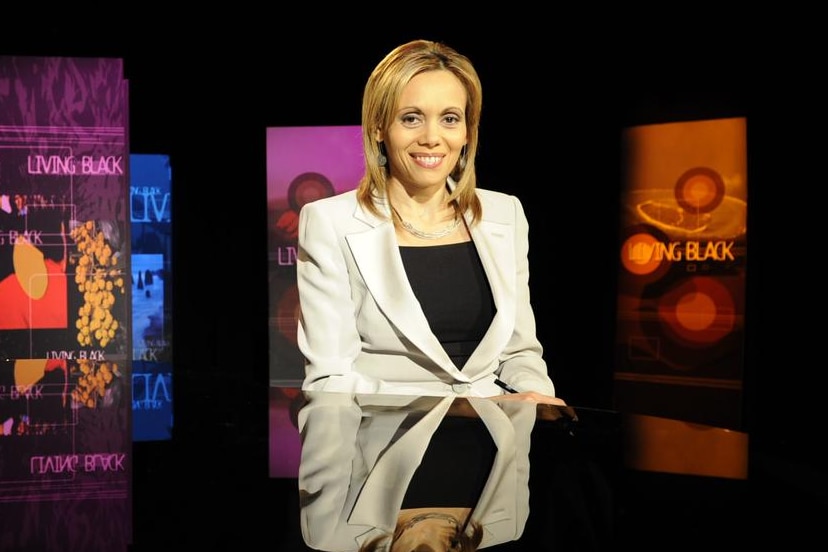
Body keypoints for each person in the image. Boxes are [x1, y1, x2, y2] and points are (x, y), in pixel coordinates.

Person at [296, 39, 564, 406]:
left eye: (450, 119)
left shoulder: (506, 214)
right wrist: (465, 409)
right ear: (378, 127)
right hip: (386, 451)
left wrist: (537, 401)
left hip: (497, 447)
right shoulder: (330, 222)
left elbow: (520, 353)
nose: (432, 138)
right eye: (411, 118)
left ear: (468, 131)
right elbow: (330, 380)